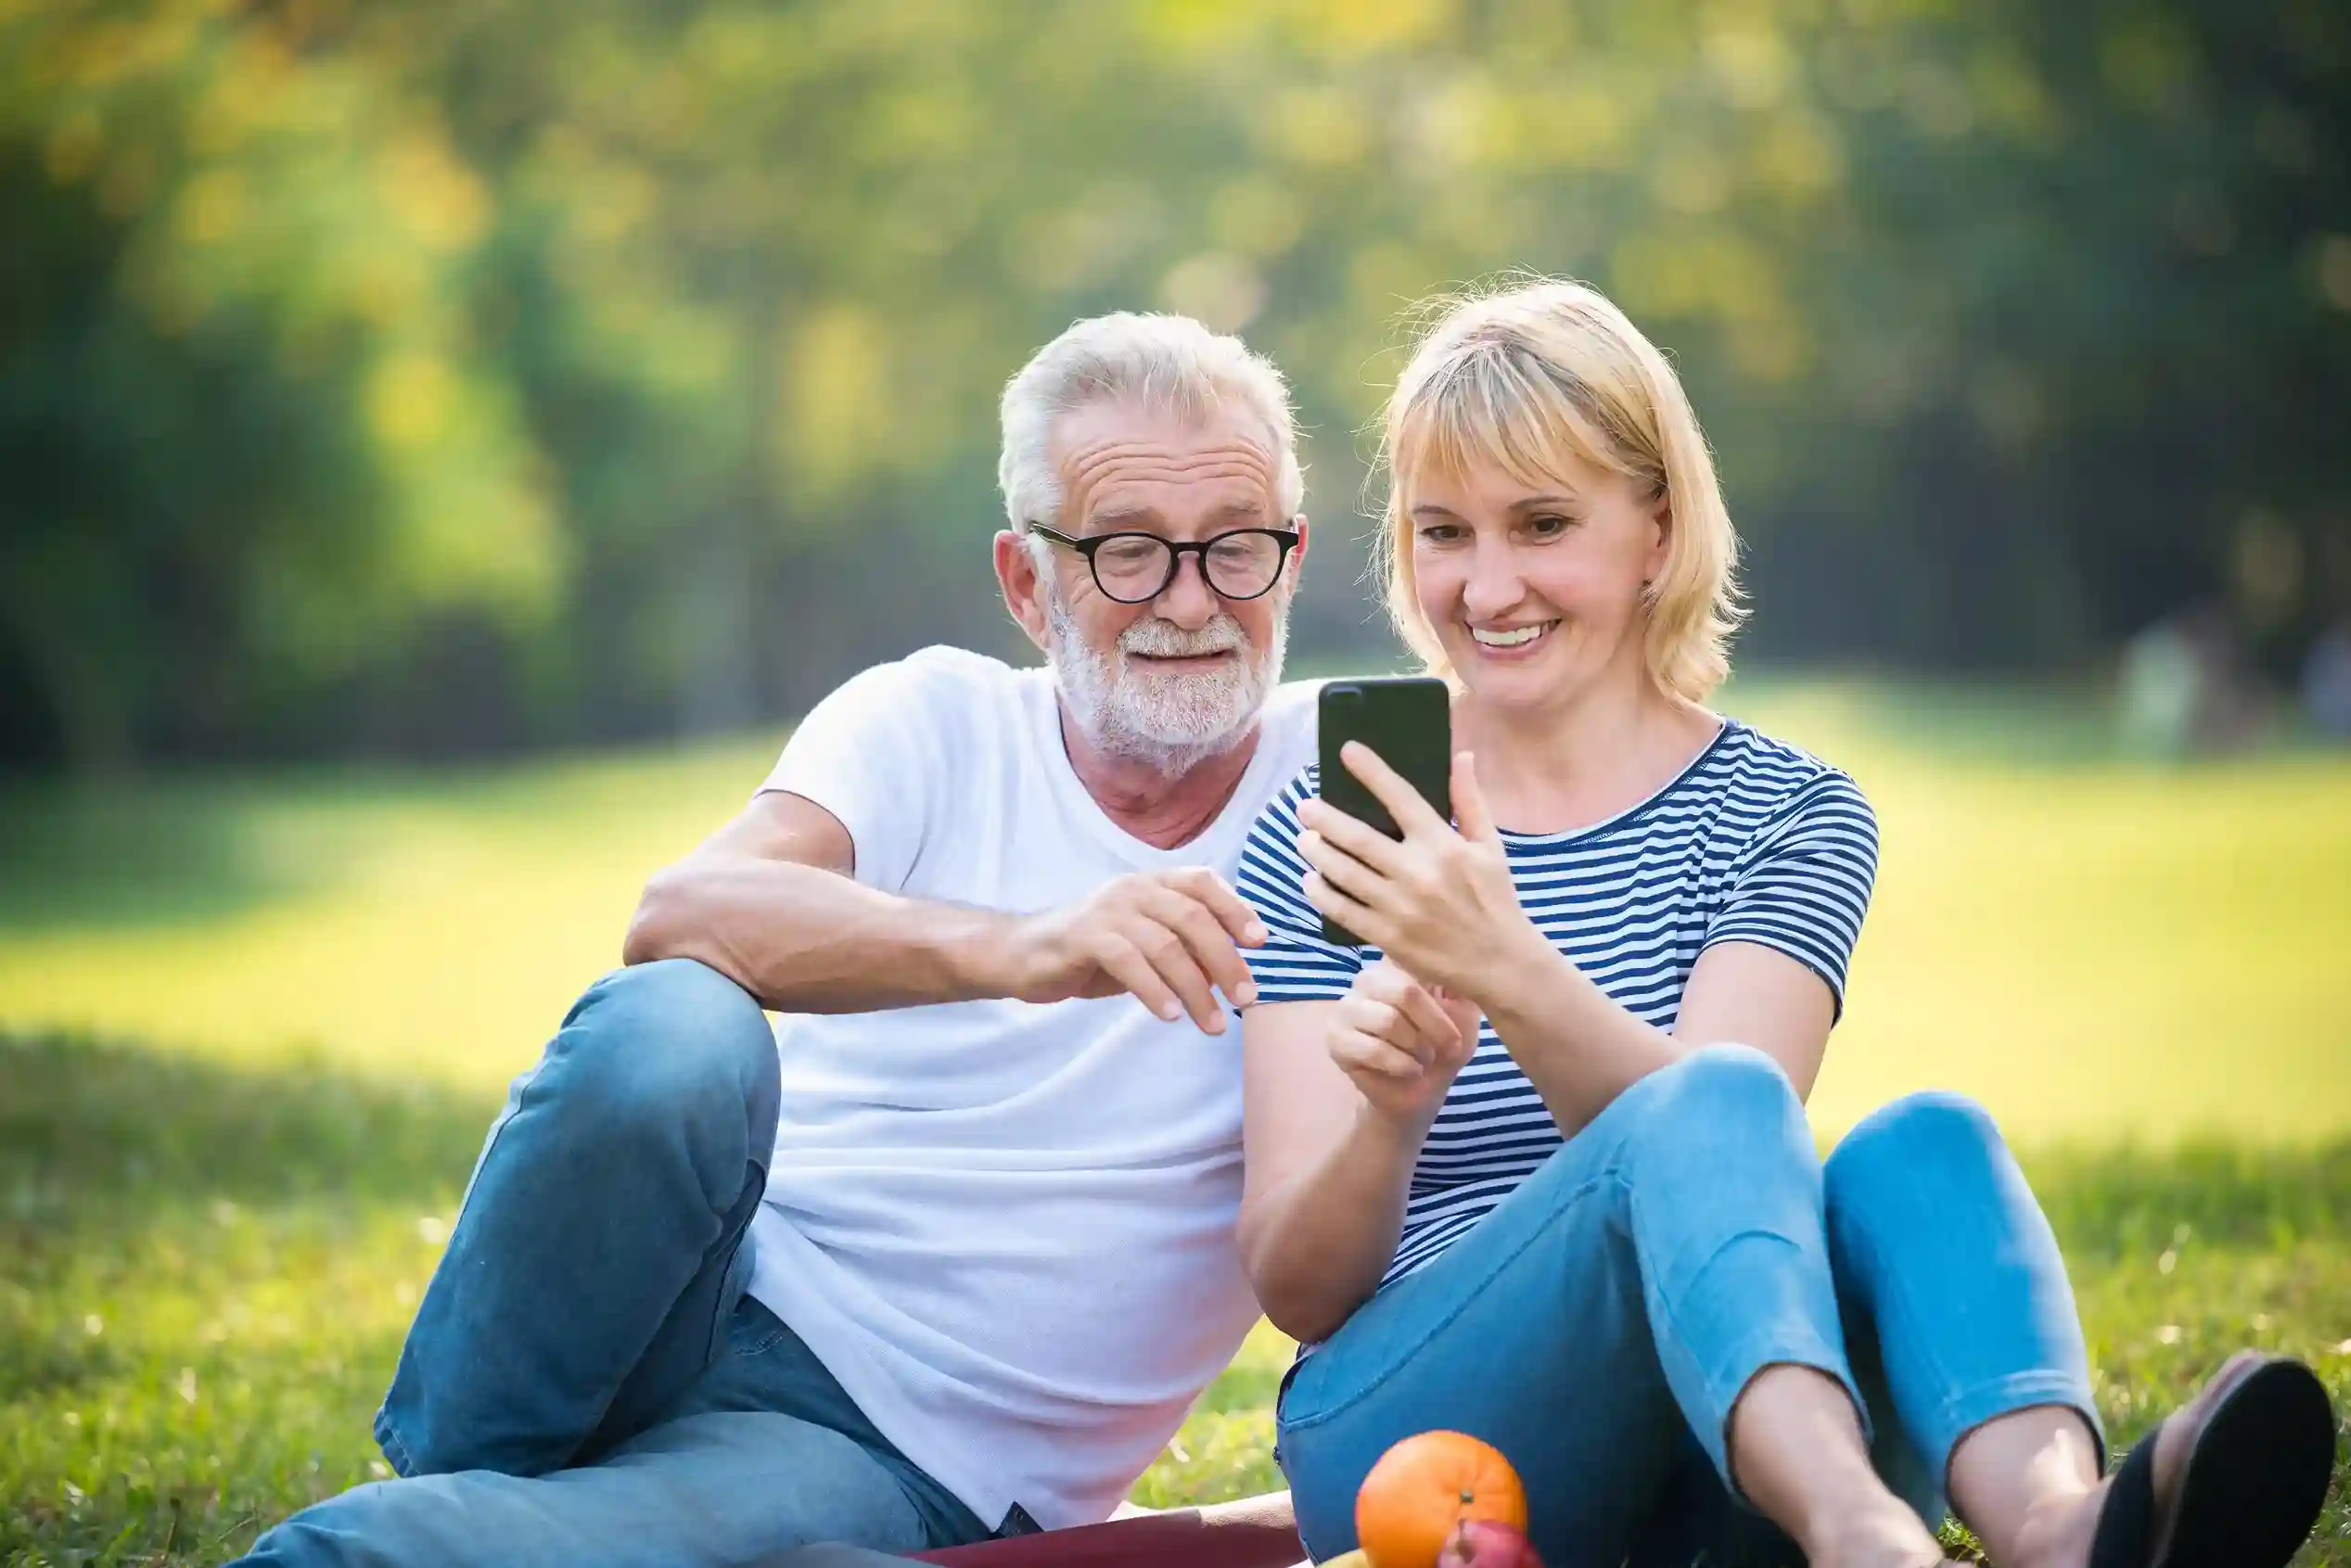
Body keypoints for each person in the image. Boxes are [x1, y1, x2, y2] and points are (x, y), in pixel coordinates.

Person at [1232, 281, 2337, 1568]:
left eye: (1540, 524)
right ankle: (1860, 1532)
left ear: (1656, 528)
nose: (1484, 586)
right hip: (1420, 1451)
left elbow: (1729, 1143)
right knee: (1714, 1098)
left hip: (1722, 1434)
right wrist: (1391, 1114)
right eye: (1442, 531)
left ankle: (2055, 1529)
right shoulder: (1338, 825)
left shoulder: (1785, 813)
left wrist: (1505, 967)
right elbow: (1297, 1288)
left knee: (1925, 1139)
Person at [231, 311, 1322, 1567]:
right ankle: (489, 1485)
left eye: (1234, 547)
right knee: (671, 1026)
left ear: (1289, 558)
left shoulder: (1352, 788)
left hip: (876, 1444)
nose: (1190, 601)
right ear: (1028, 583)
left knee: (385, 1556)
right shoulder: (934, 719)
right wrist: (1028, 947)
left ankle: (475, 1530)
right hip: (688, 1280)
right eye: (1128, 551)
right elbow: (683, 915)